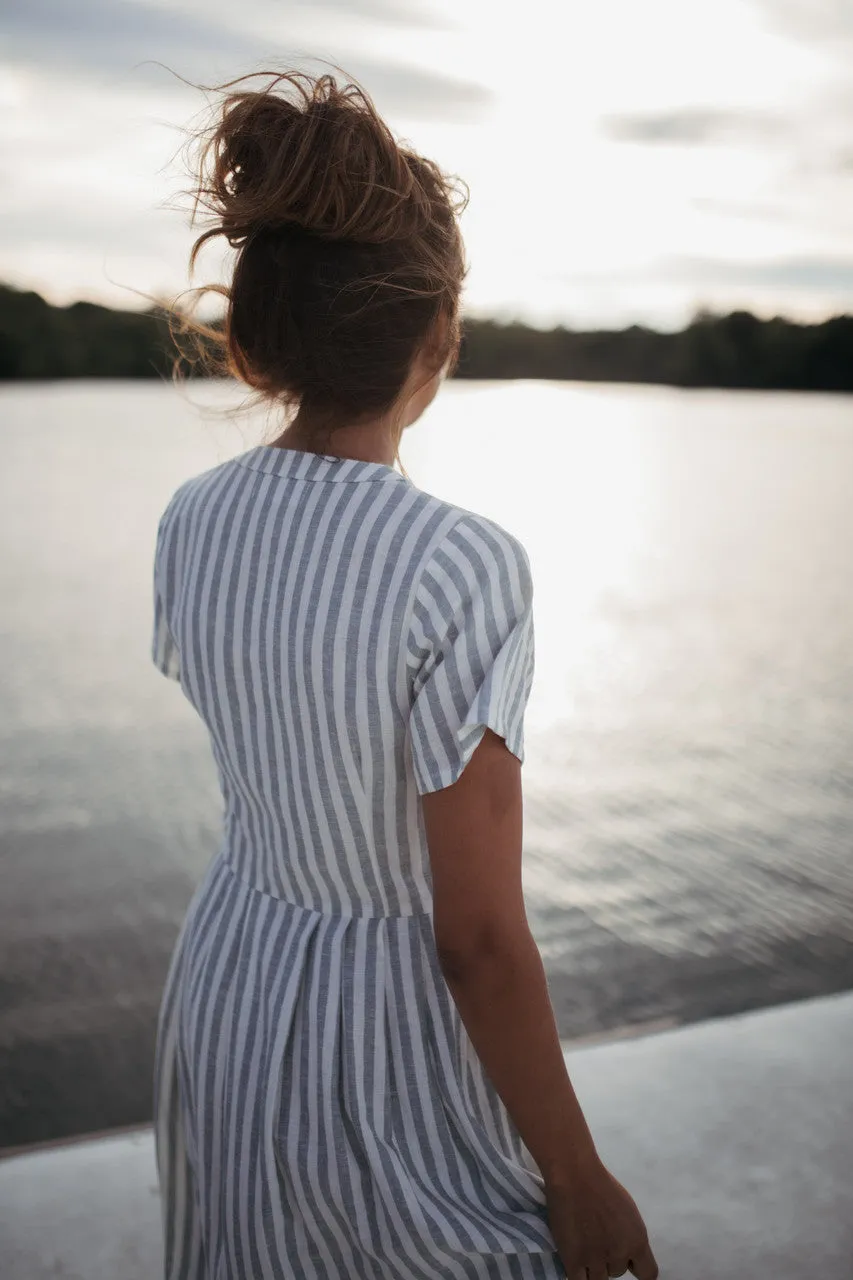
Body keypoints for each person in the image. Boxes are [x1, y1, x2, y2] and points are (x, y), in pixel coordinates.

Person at [151, 69, 658, 1280]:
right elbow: (475, 934)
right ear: (439, 336)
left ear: (255, 336)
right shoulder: (461, 566)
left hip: (228, 985)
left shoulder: (190, 519)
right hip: (382, 1038)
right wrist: (578, 1177)